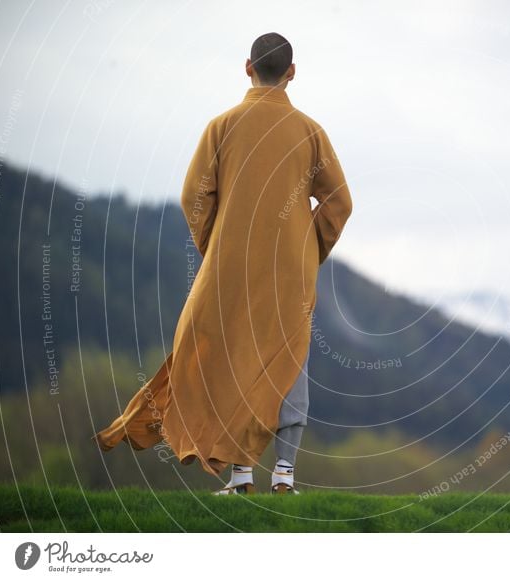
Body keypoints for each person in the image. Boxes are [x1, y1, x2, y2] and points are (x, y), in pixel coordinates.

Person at [92, 32, 353, 495]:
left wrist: (216, 246)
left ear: (247, 67)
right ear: (292, 74)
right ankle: (285, 474)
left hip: (228, 270)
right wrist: (306, 250)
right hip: (288, 274)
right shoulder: (311, 132)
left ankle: (240, 477)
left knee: (228, 360)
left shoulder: (221, 126)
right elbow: (339, 204)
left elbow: (195, 195)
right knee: (287, 358)